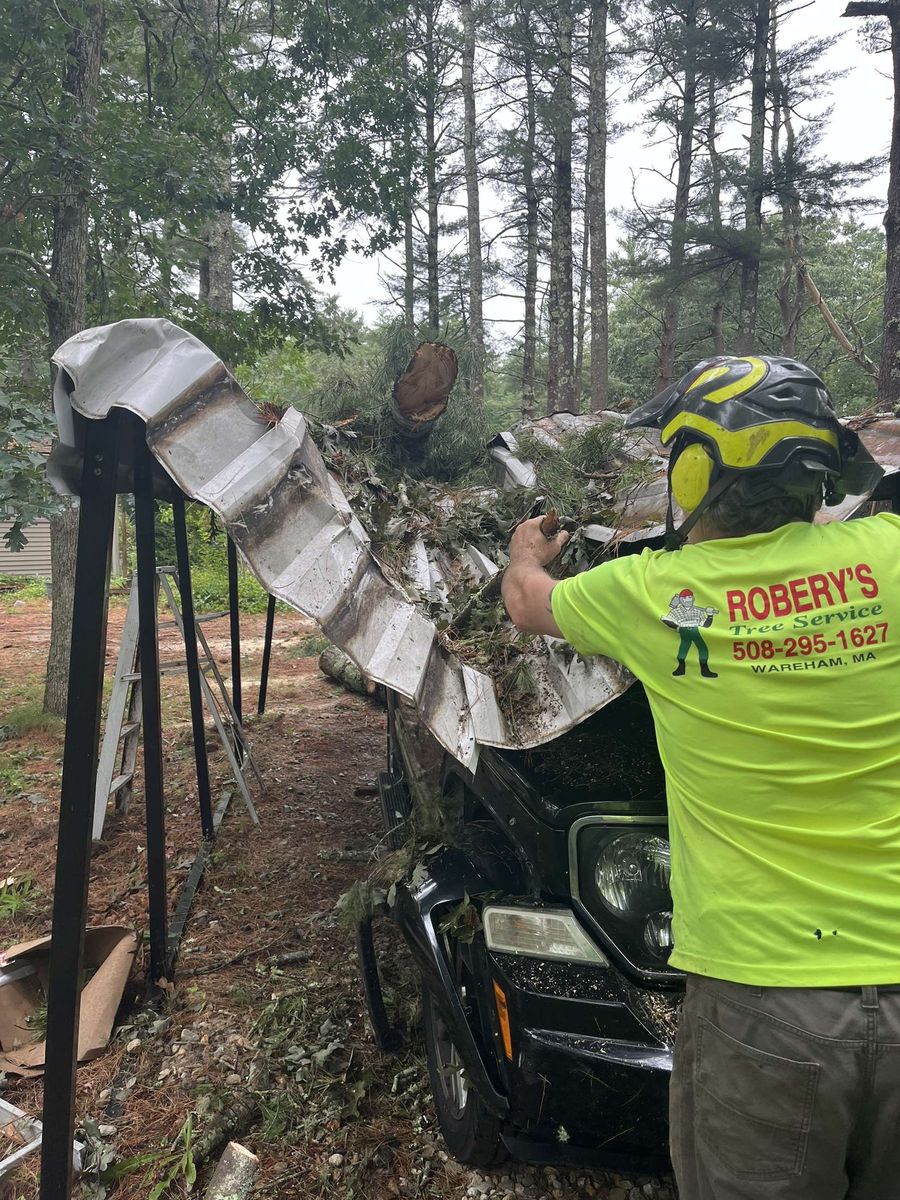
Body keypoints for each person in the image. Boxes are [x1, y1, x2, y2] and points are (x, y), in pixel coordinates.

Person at [501, 354, 900, 1200]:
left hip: (766, 1004)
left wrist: (524, 548)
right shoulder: (892, 555)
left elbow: (528, 603)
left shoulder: (654, 592)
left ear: (694, 471)